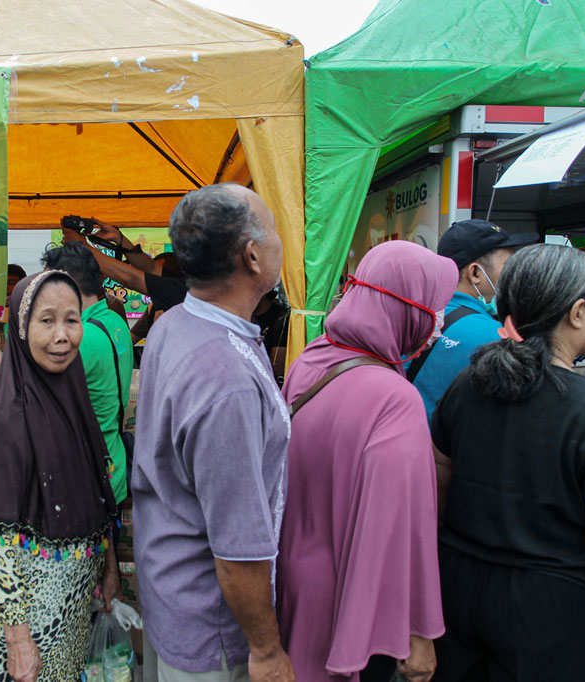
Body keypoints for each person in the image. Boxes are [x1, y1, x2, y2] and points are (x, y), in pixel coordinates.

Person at [432, 244, 585, 681]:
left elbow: (439, 478)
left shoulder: (468, 385)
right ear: (577, 313)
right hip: (549, 610)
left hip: (457, 591)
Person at [131, 183, 293, 682]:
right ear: (251, 255)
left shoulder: (176, 323)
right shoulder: (226, 380)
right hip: (213, 627)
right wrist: (266, 650)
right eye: (273, 230)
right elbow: (237, 546)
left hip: (172, 593)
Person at [277, 240, 456, 682]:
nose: (436, 321)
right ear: (408, 310)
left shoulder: (312, 359)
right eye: (433, 307)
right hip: (348, 594)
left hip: (292, 574)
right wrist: (419, 636)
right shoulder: (395, 399)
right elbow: (398, 527)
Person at [0, 270, 118, 682]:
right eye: (46, 321)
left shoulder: (71, 392)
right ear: (20, 327)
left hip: (74, 604)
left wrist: (109, 565)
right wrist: (18, 642)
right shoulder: (6, 418)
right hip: (31, 617)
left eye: (71, 319)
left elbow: (96, 490)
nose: (62, 335)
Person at [410, 219, 535, 419]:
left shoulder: (412, 319)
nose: (513, 275)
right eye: (508, 266)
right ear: (475, 272)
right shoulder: (496, 338)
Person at [41, 242, 134, 505]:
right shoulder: (114, 320)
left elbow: (31, 396)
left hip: (82, 472)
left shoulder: (79, 337)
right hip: (111, 461)